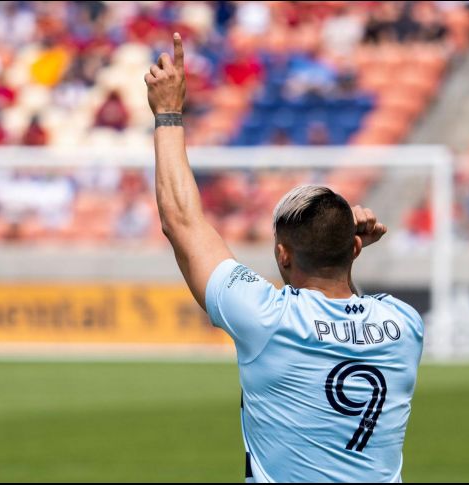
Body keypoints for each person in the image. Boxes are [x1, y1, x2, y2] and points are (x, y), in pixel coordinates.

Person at [145, 33, 424, 483]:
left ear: (282, 255)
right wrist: (347, 255)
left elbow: (182, 222)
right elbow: (354, 312)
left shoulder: (268, 319)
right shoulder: (405, 324)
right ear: (354, 247)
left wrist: (169, 114)